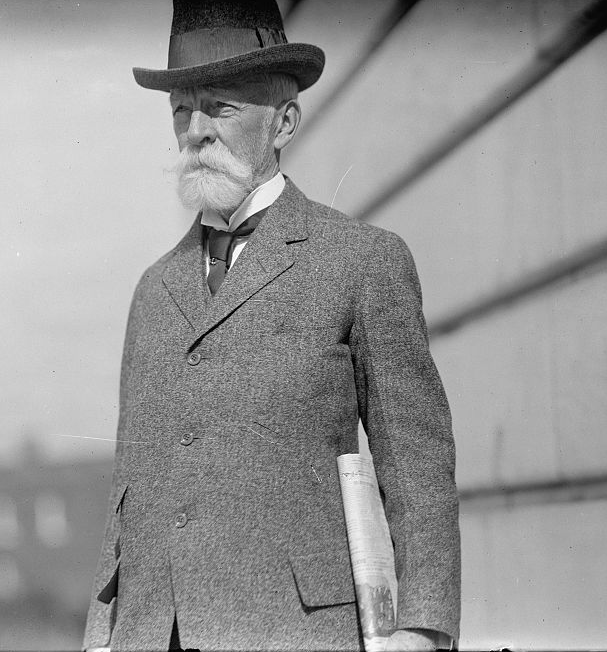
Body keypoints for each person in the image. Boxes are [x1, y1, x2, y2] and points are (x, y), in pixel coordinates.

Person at [82, 1, 460, 650]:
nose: (195, 130)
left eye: (221, 109)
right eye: (181, 111)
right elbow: (130, 484)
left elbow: (416, 466)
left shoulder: (361, 261)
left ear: (283, 123)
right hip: (150, 635)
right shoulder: (153, 290)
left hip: (298, 633)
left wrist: (422, 630)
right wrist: (99, 635)